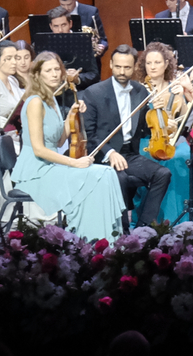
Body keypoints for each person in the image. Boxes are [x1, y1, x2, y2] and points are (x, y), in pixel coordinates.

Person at [13, 49, 126, 238]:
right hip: (35, 172)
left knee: (106, 173)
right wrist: (75, 163)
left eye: (57, 69)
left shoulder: (51, 101)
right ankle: (90, 237)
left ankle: (107, 236)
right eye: (48, 70)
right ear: (38, 75)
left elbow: (58, 141)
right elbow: (39, 149)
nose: (55, 74)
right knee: (100, 174)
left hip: (51, 166)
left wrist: (72, 115)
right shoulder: (34, 102)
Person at [79, 44, 170, 229]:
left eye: (127, 67)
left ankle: (144, 228)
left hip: (129, 154)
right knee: (118, 178)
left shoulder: (140, 91)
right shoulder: (94, 93)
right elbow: (89, 134)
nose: (122, 71)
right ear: (111, 64)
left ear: (135, 67)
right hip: (103, 156)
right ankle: (123, 232)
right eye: (118, 66)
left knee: (163, 174)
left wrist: (158, 110)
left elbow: (144, 128)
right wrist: (110, 152)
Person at [138, 42, 193, 225]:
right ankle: (153, 219)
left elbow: (184, 120)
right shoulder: (140, 90)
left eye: (157, 62)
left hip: (172, 140)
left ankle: (182, 217)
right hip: (148, 139)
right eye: (149, 63)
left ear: (166, 64)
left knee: (182, 158)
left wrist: (180, 104)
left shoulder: (174, 88)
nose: (152, 67)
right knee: (150, 159)